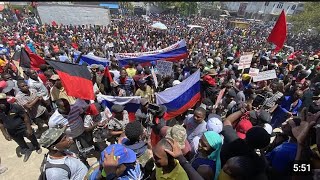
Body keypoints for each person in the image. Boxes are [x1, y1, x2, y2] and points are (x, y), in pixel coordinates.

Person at [0, 93, 42, 162]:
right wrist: (5, 134)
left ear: (6, 100)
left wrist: (29, 128)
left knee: (31, 136)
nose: (0, 104)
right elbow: (1, 123)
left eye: (1, 101)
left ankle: (37, 147)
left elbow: (25, 117)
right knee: (20, 142)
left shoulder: (15, 107)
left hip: (22, 127)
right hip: (11, 131)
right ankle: (26, 151)